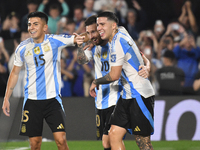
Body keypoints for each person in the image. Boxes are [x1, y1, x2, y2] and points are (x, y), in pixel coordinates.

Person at [1, 11, 80, 150]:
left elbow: (76, 39)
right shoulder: (22, 47)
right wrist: (6, 97)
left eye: (35, 24)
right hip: (32, 102)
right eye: (29, 24)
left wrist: (81, 39)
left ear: (44, 27)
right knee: (35, 144)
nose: (31, 27)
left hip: (53, 100)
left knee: (61, 141)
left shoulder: (55, 41)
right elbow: (14, 73)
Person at [75, 15, 150, 150]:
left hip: (118, 96)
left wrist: (147, 66)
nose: (92, 35)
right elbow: (81, 60)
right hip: (100, 99)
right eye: (89, 33)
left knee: (120, 138)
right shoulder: (94, 47)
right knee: (106, 142)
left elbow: (137, 55)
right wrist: (80, 45)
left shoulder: (116, 41)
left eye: (95, 30)